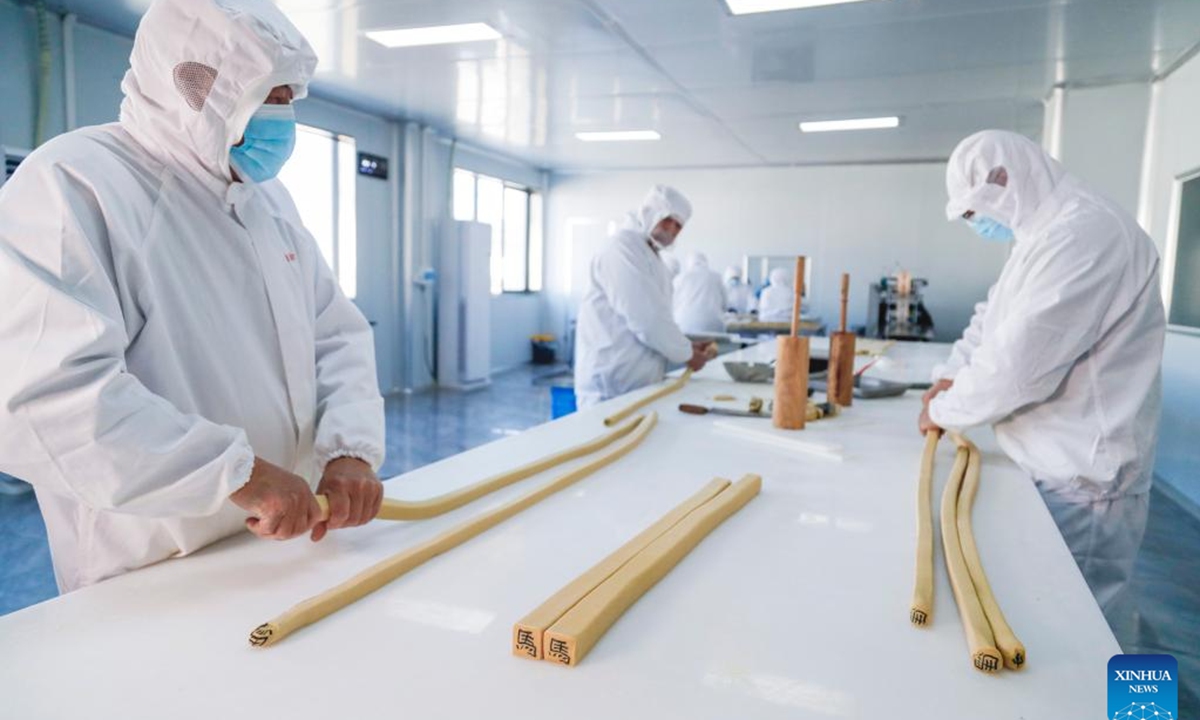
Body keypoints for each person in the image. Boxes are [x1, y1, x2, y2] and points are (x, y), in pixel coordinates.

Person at [0, 0, 386, 592]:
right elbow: (42, 395)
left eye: (288, 96)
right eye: (265, 96)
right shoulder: (76, 184)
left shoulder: (268, 204)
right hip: (152, 571)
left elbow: (334, 334)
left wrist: (349, 450)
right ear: (194, 87)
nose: (282, 116)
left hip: (283, 541)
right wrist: (236, 474)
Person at [919, 130, 1165, 624]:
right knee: (1052, 626)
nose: (978, 224)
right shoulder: (1041, 237)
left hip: (1084, 478)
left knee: (1087, 634)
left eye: (975, 212)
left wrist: (944, 410)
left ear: (1003, 181)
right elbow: (989, 323)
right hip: (1048, 465)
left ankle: (1134, 706)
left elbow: (1015, 368)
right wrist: (947, 376)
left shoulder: (1085, 234)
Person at [574, 185, 712, 407]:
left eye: (679, 225)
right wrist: (687, 353)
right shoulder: (622, 249)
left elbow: (658, 318)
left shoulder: (650, 255)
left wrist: (686, 345)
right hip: (610, 390)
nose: (672, 229)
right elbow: (647, 319)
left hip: (637, 386)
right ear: (650, 212)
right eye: (668, 219)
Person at [673, 252, 727, 334]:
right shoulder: (717, 277)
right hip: (713, 326)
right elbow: (725, 304)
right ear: (706, 262)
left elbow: (672, 304)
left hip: (684, 325)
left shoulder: (680, 278)